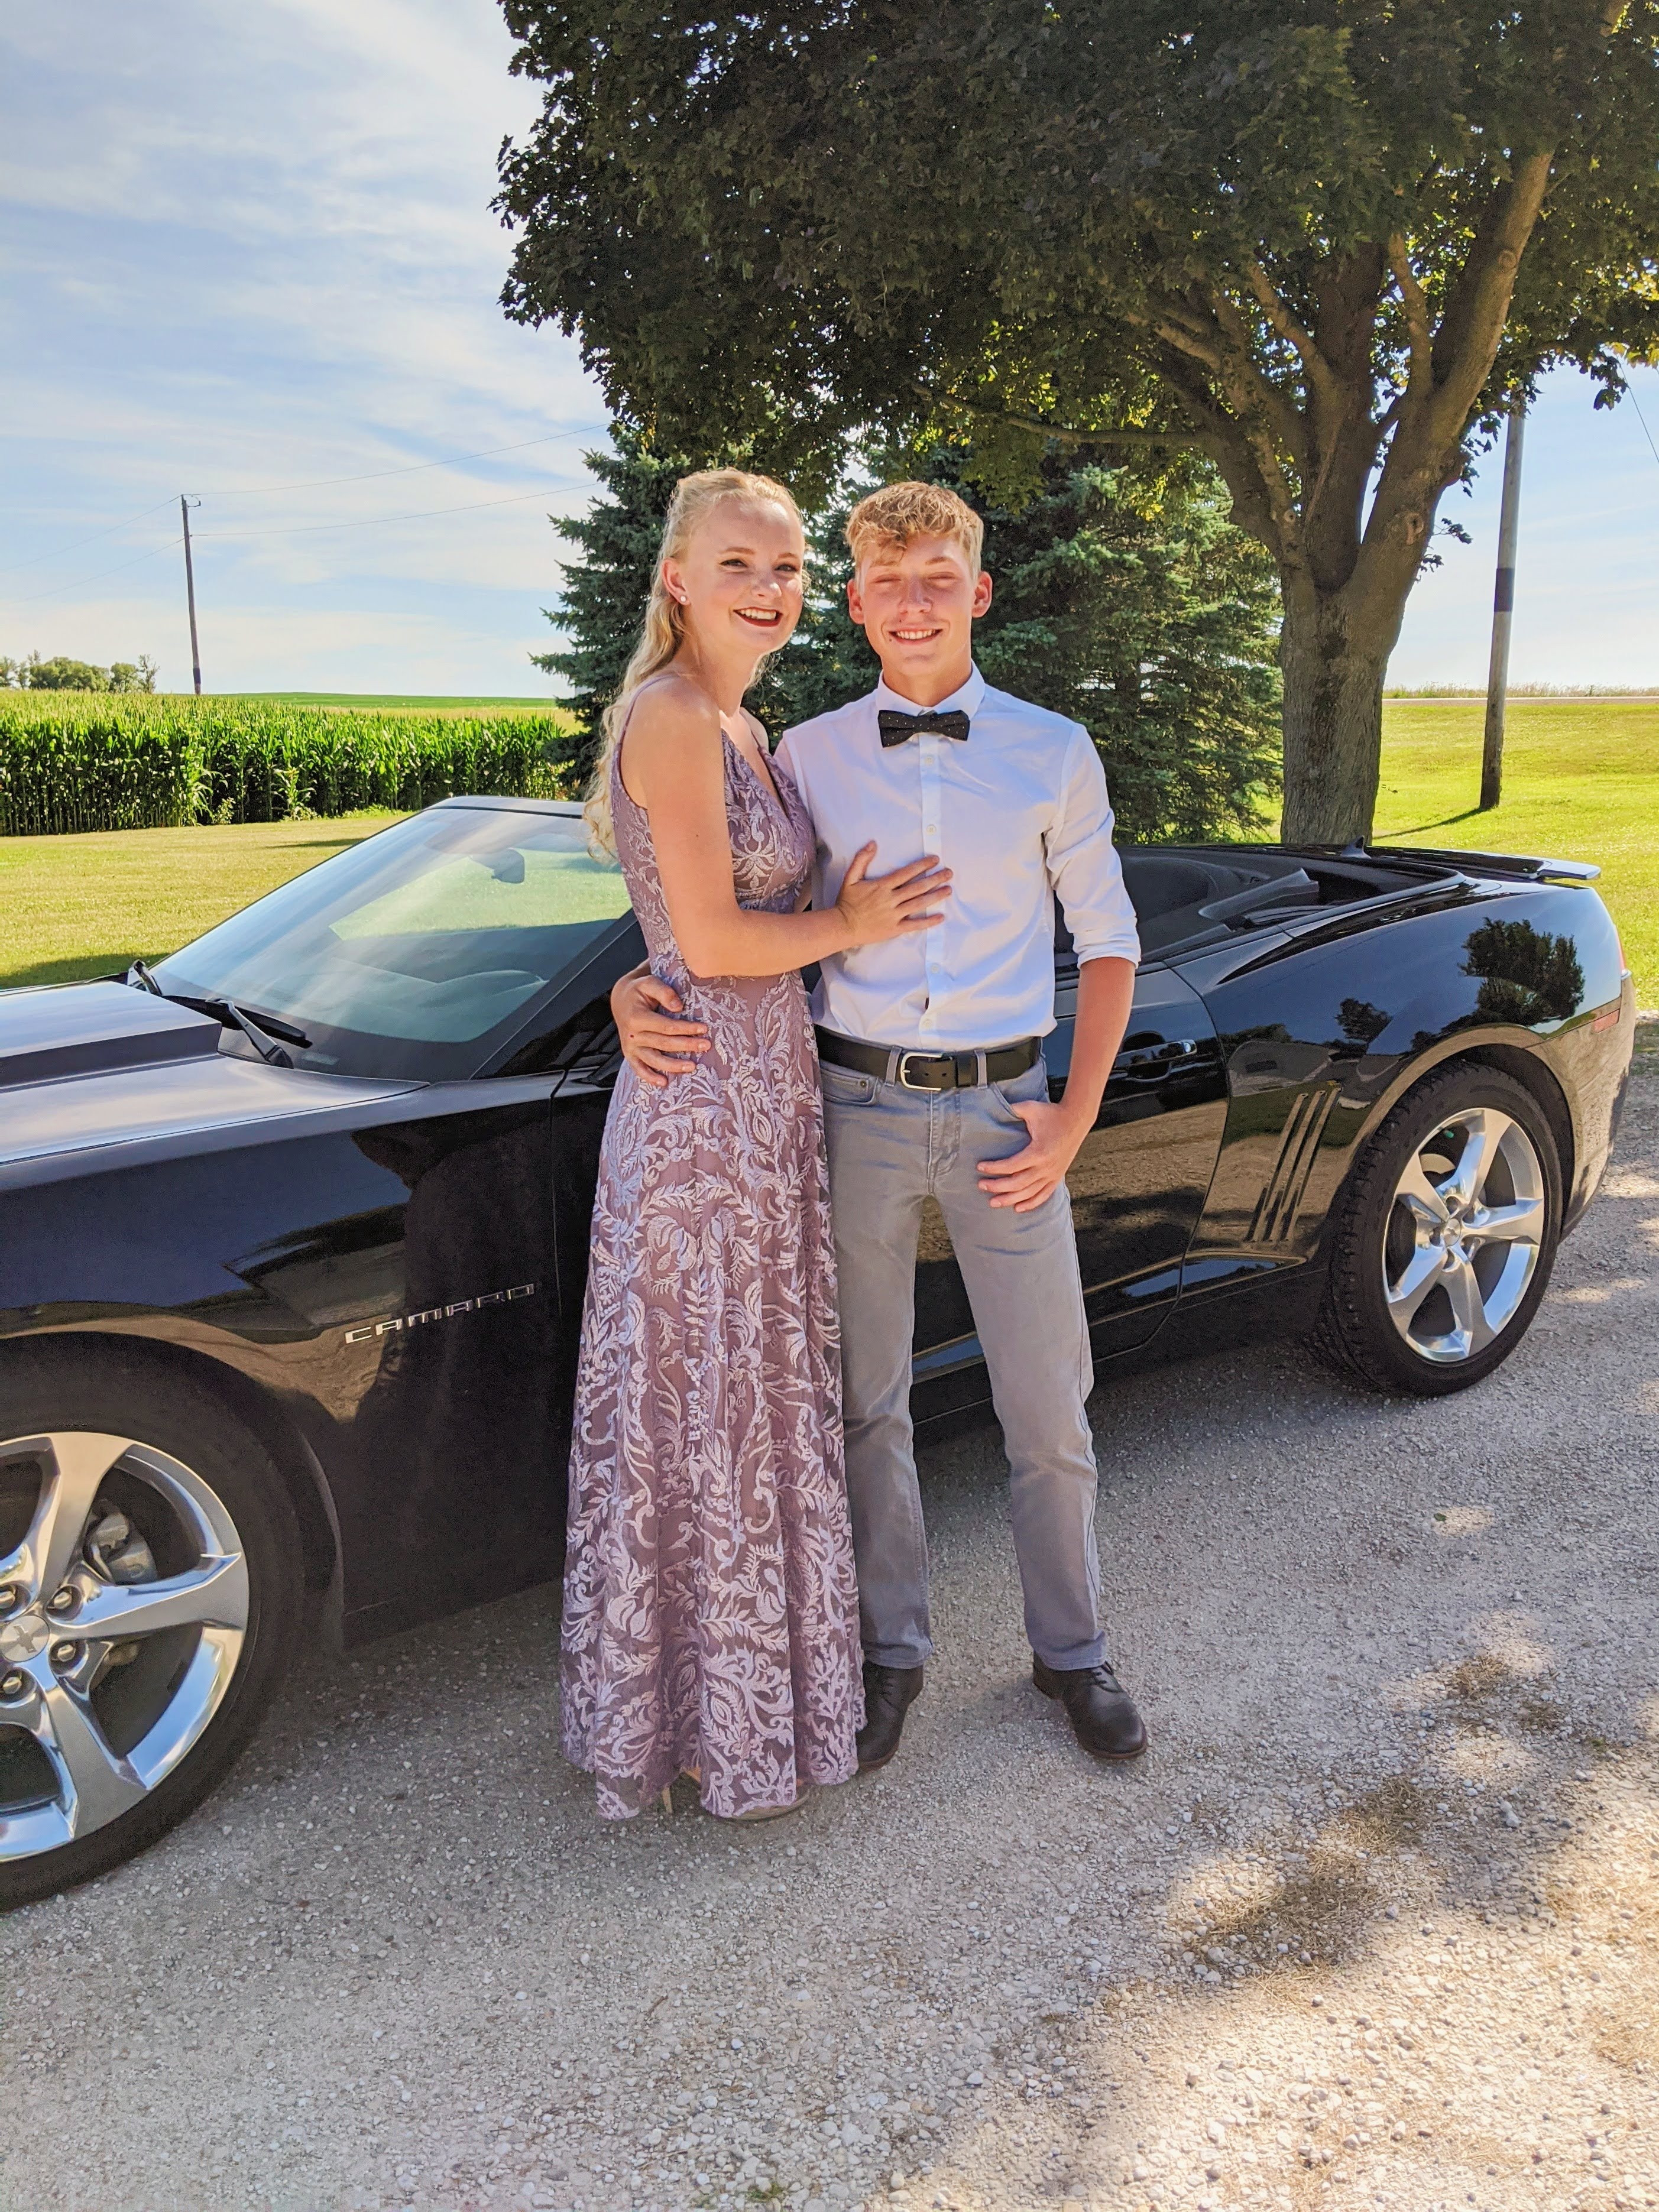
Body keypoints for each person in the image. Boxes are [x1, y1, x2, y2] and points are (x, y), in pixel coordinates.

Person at [613, 479, 1148, 1773]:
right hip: (842, 1108)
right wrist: (638, 983)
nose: (912, 603)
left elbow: (1112, 944)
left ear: (977, 590)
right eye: (885, 582)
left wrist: (1072, 1118)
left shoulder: (1051, 749)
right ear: (850, 604)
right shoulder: (797, 752)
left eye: (937, 577)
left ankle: (1070, 1653)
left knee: (1047, 1404)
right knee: (862, 1404)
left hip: (1006, 1115)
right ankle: (888, 1652)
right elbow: (718, 908)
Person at [561, 467, 954, 1822]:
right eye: (739, 564)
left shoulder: (743, 721)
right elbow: (716, 942)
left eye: (785, 567)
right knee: (697, 1411)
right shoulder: (670, 718)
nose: (768, 589)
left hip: (767, 1098)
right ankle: (683, 1727)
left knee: (749, 1407)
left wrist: (816, 913)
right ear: (676, 577)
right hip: (695, 1117)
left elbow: (713, 914)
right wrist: (856, 925)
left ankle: (749, 1716)